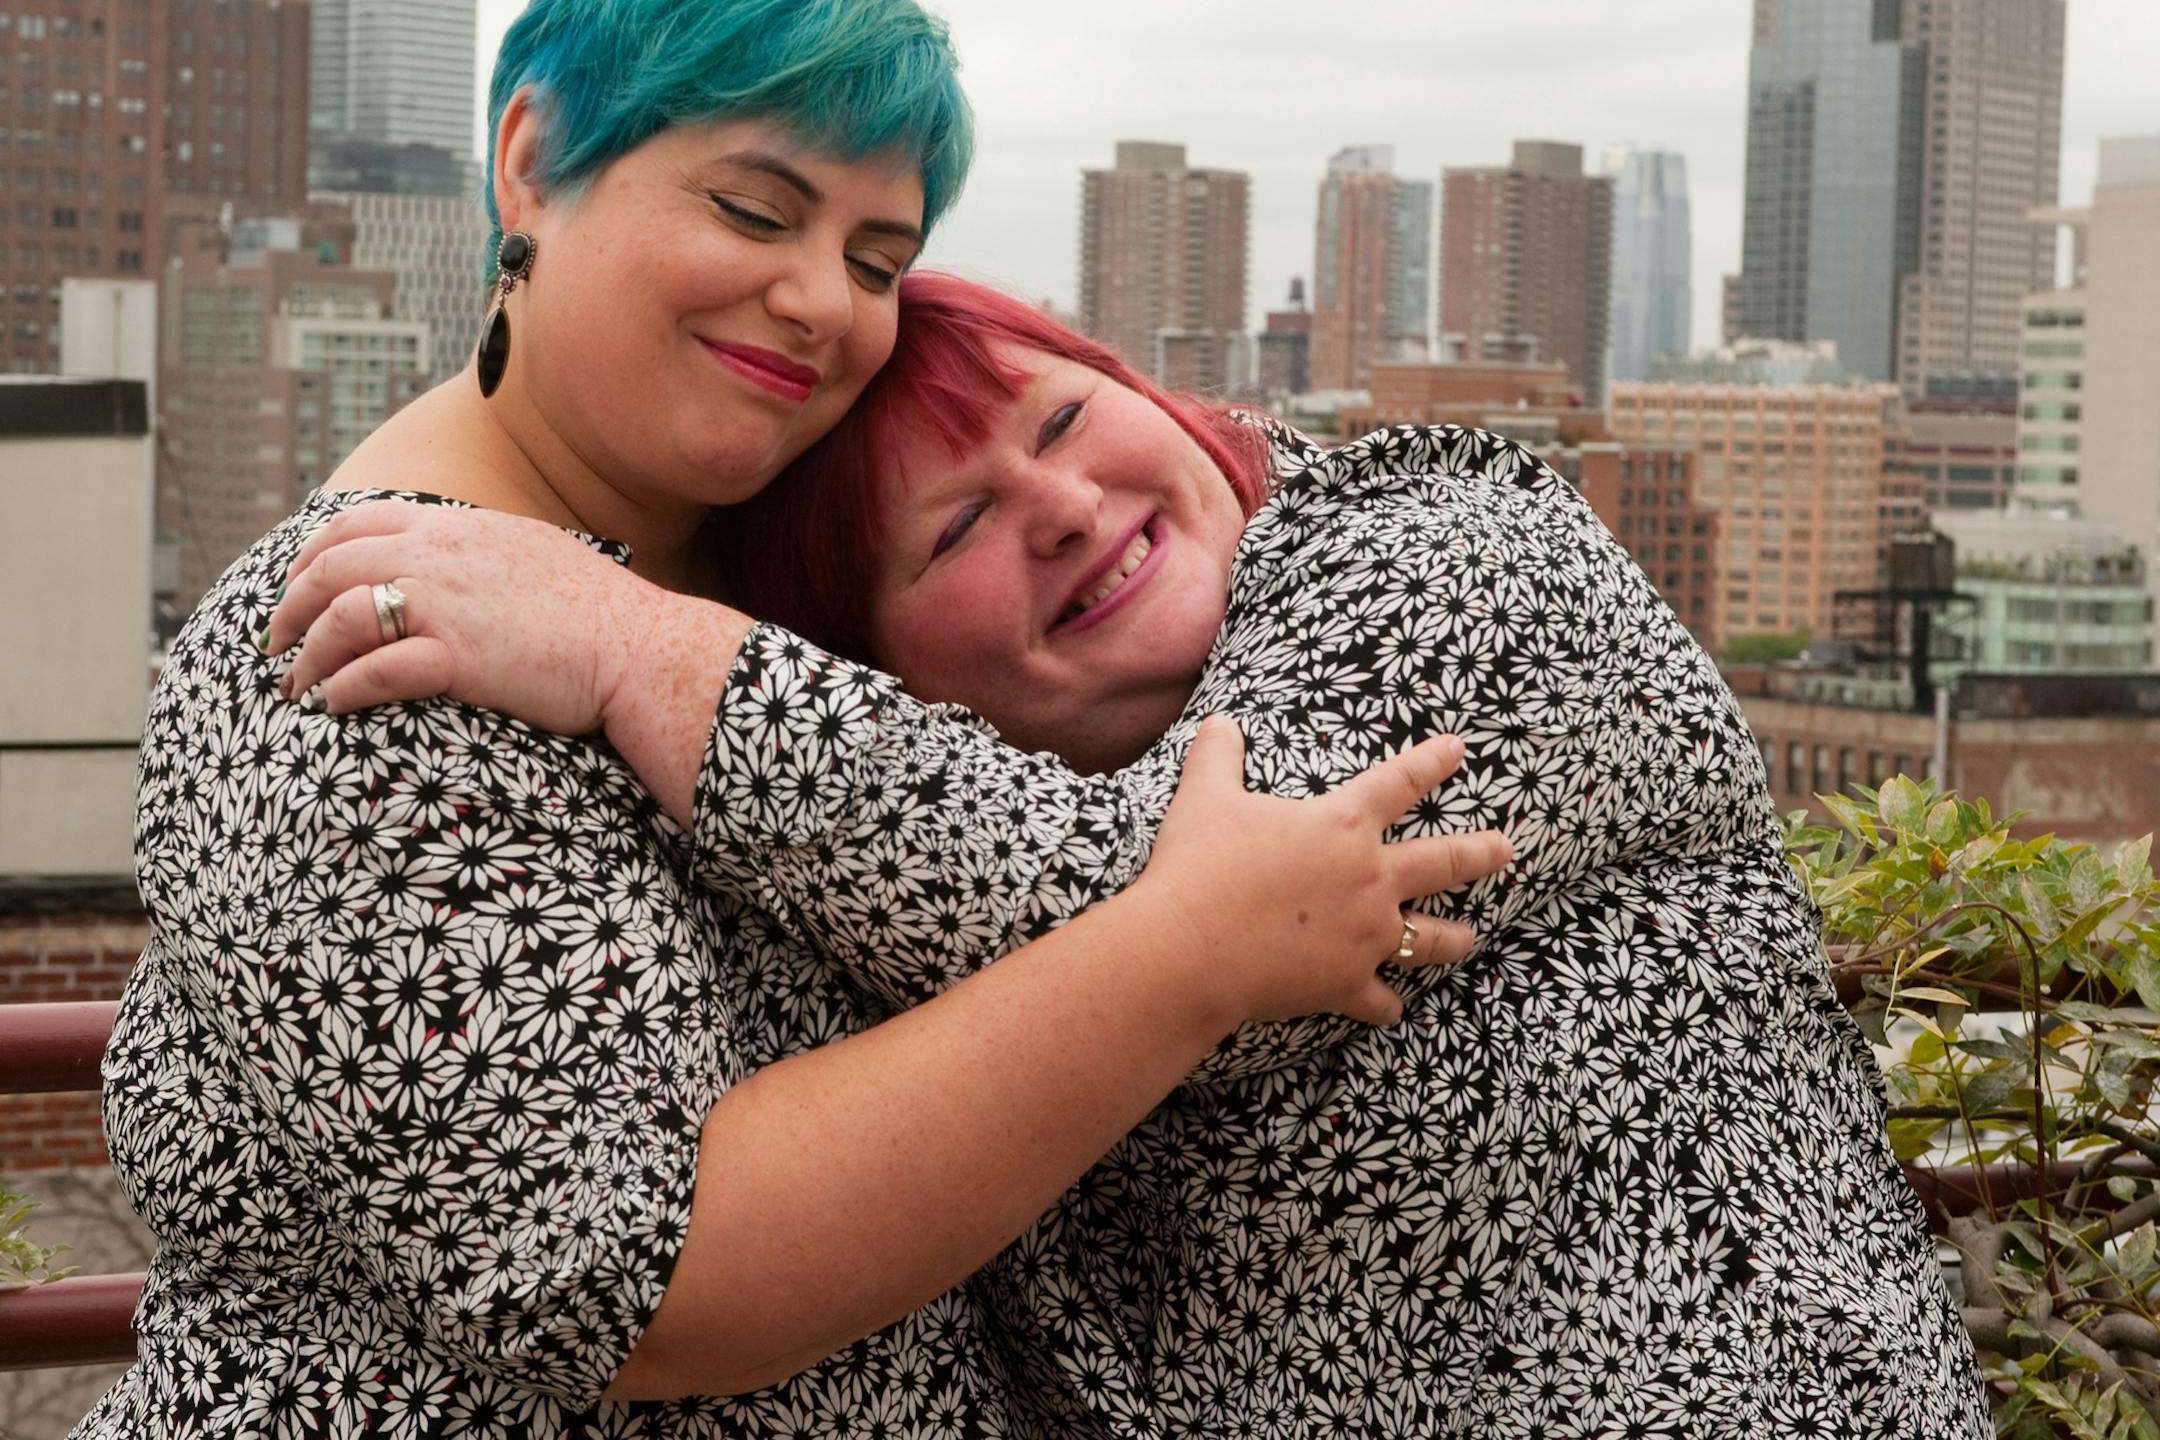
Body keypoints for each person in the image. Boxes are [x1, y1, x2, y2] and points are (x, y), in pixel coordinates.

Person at [87, 0, 1506, 1440]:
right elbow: (638, 1276)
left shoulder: (741, 583)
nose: (826, 302)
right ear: (529, 165)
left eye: (875, 255)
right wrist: (1185, 952)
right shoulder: (371, 636)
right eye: (757, 213)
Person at [277, 272, 1995, 1437]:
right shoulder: (870, 849)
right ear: (869, 667)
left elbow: (1208, 920)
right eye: (955, 528)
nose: (1064, 506)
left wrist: (638, 652)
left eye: (1055, 420)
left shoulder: (1450, 547)